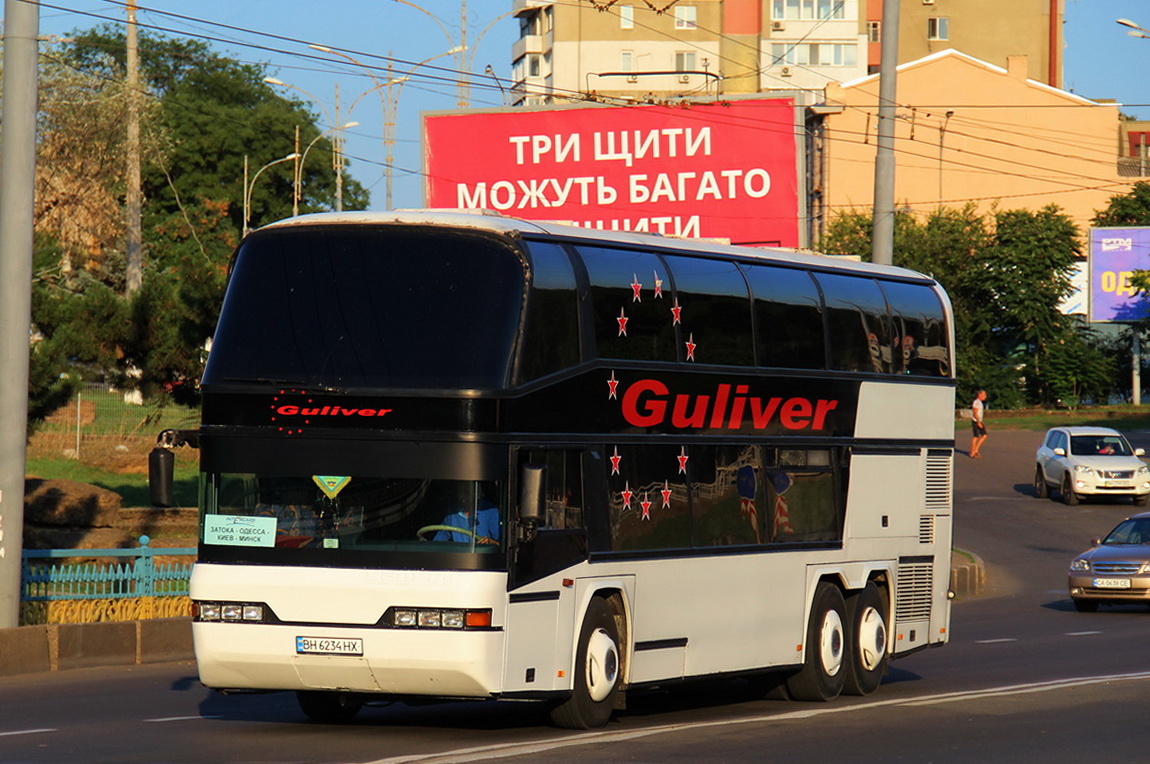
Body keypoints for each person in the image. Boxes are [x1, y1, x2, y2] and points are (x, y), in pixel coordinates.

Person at [434, 485, 501, 544]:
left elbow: (502, 544)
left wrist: (489, 542)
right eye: (460, 492)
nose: (463, 496)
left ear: (475, 492)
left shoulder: (490, 511)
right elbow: (440, 538)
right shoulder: (452, 512)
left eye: (467, 492)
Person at [970, 389, 988, 458]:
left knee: (984, 435)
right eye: (984, 395)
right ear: (980, 395)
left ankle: (976, 450)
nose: (985, 397)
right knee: (976, 436)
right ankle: (972, 452)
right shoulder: (976, 402)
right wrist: (978, 422)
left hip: (979, 420)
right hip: (976, 421)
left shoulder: (980, 402)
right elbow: (975, 413)